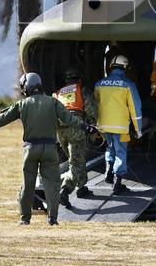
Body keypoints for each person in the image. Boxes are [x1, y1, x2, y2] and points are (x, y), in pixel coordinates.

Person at [0, 72, 93, 225]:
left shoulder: (22, 105)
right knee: (52, 185)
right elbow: (70, 119)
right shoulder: (53, 102)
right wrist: (86, 127)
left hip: (31, 149)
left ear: (27, 88)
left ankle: (25, 218)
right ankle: (52, 218)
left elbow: (1, 119)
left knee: (28, 185)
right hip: (50, 150)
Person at [94, 55, 142, 194]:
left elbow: (95, 104)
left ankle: (108, 172)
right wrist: (138, 129)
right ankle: (117, 181)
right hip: (120, 127)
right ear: (125, 68)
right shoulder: (128, 85)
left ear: (111, 67)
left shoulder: (99, 84)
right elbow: (135, 109)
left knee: (110, 147)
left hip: (103, 125)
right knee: (120, 151)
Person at [53, 65, 97, 208]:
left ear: (66, 80)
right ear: (80, 79)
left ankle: (81, 187)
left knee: (76, 159)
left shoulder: (58, 92)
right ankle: (65, 190)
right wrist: (94, 126)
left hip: (60, 131)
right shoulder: (81, 89)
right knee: (76, 162)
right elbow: (91, 109)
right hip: (76, 127)